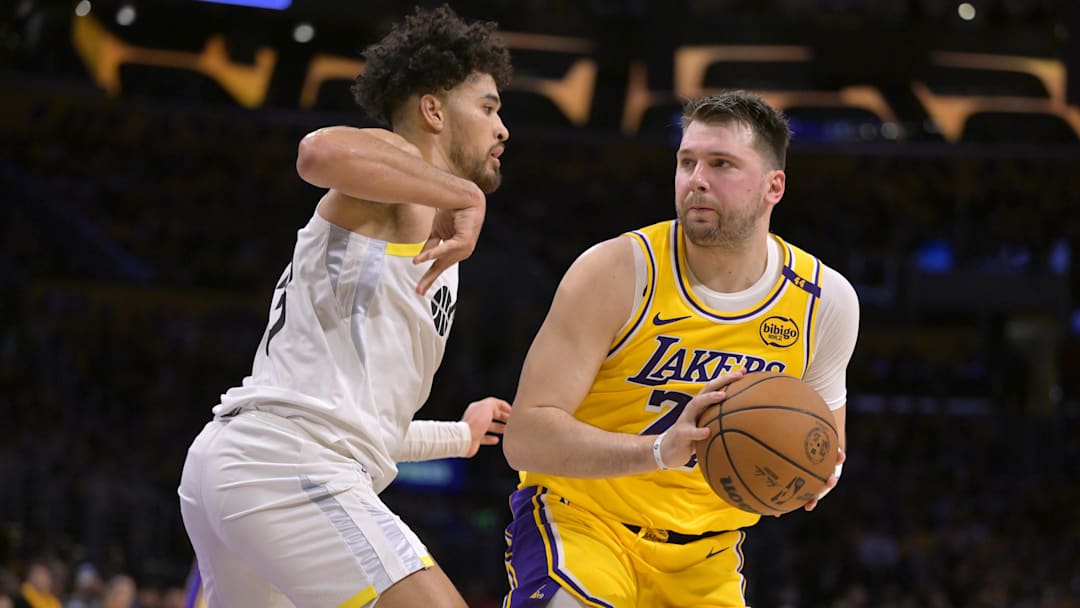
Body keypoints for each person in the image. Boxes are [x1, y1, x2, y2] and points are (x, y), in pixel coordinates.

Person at [177, 5, 513, 607]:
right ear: (434, 111)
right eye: (488, 108)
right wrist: (465, 195)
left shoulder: (427, 220)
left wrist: (461, 436)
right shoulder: (397, 165)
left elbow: (361, 424)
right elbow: (317, 152)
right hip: (287, 464)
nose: (502, 128)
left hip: (247, 460)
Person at [501, 90, 860, 607]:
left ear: (773, 186)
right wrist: (658, 451)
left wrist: (810, 475)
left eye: (721, 164)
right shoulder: (616, 271)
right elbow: (525, 437)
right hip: (582, 523)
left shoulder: (824, 301)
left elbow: (825, 448)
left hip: (706, 556)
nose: (697, 179)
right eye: (687, 162)